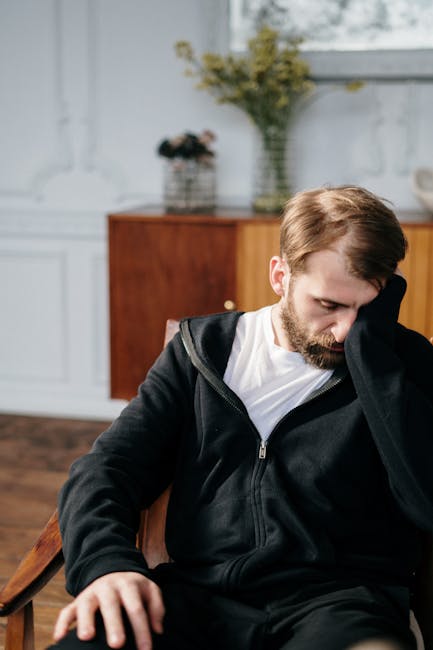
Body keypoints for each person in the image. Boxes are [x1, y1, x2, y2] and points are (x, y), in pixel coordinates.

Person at [50, 186, 433, 650]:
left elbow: (424, 500)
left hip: (338, 606)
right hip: (194, 599)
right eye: (328, 305)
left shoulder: (404, 364)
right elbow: (107, 470)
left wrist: (374, 355)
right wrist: (106, 566)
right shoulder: (201, 352)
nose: (346, 330)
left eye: (367, 308)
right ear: (280, 275)